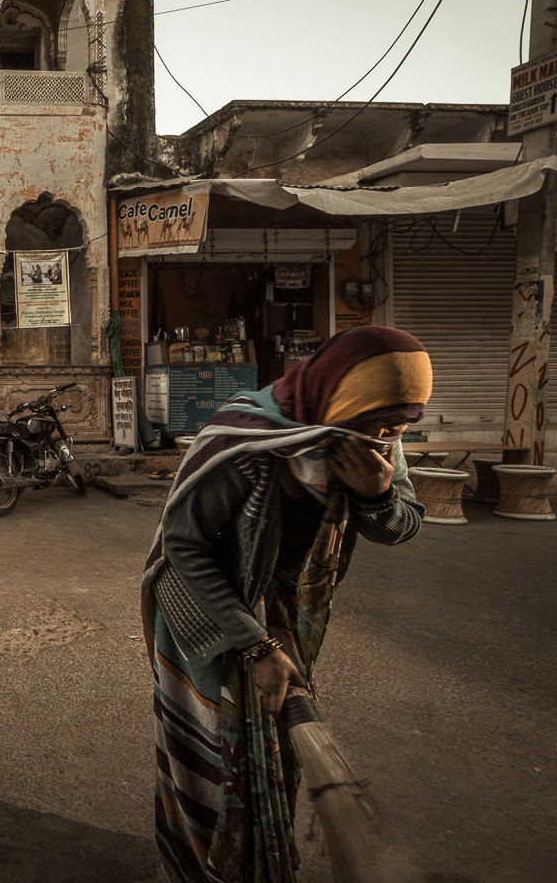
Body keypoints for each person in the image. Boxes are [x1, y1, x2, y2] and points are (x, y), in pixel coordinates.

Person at [140, 325, 432, 883]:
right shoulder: (247, 442)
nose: (391, 437)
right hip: (204, 614)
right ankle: (190, 868)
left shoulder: (372, 437)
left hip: (288, 614)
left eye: (402, 426)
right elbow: (182, 545)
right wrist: (255, 643)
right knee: (208, 758)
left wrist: (380, 494)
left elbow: (403, 527)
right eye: (382, 425)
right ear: (341, 403)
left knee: (270, 753)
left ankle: (251, 865)